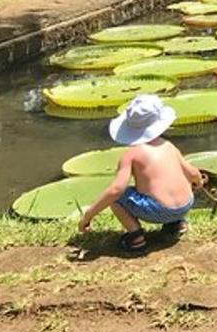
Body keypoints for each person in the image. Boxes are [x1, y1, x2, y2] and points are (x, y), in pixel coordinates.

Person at [78, 95, 205, 253]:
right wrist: (198, 183)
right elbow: (193, 173)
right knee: (177, 181)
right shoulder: (169, 145)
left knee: (118, 197)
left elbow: (116, 190)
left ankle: (136, 237)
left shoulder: (131, 155)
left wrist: (88, 215)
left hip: (159, 211)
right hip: (185, 205)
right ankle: (177, 224)